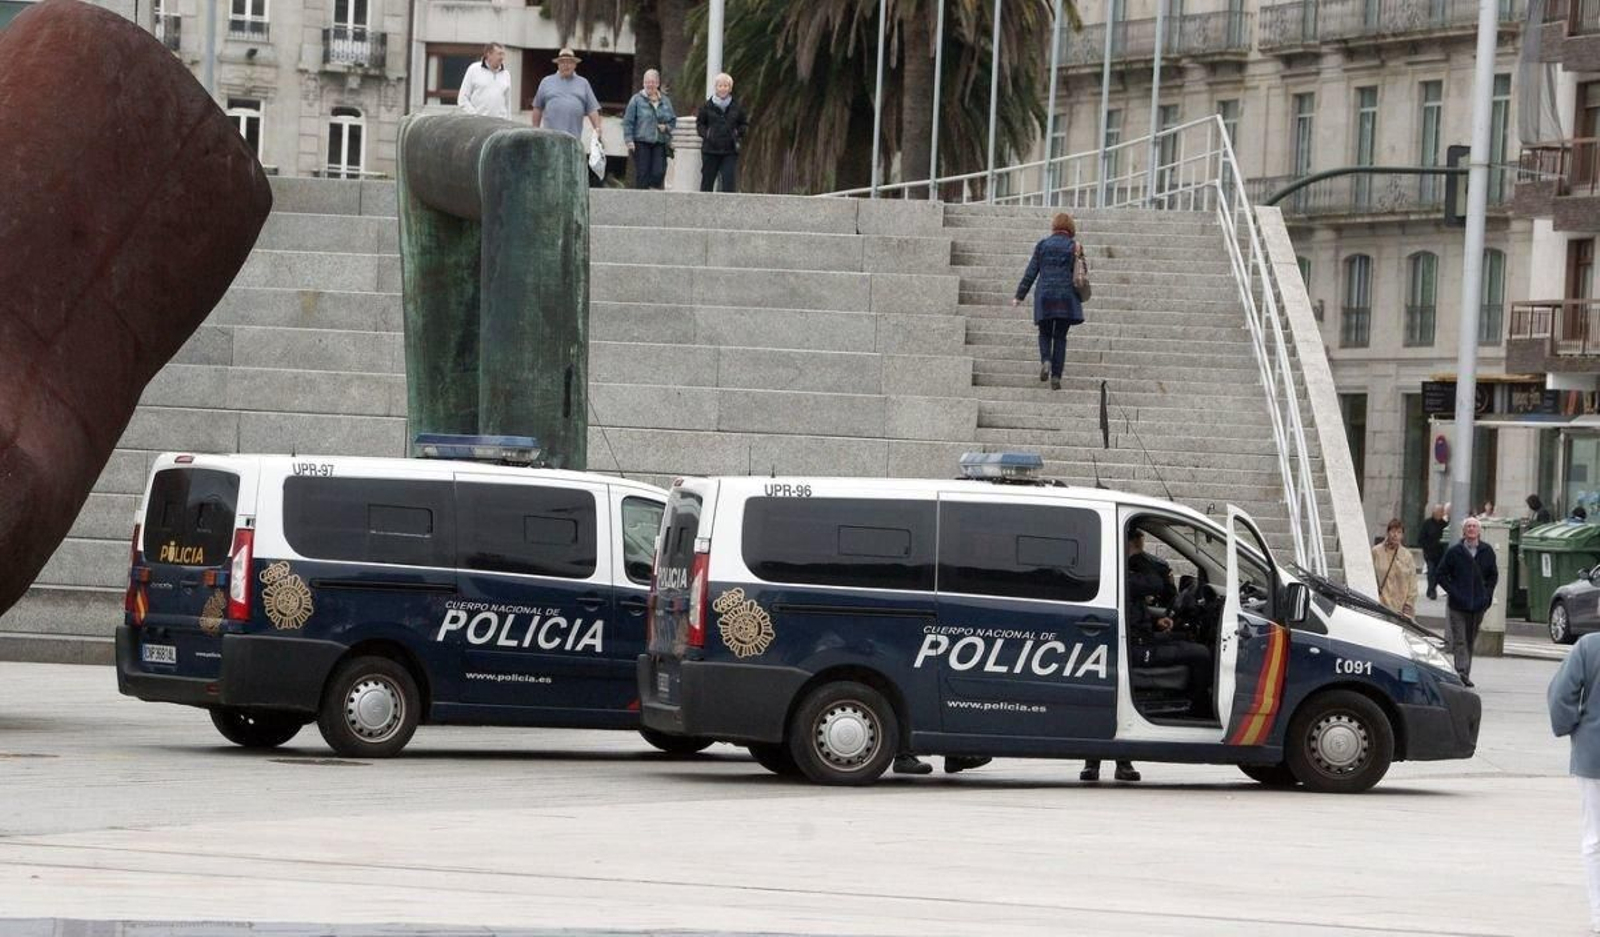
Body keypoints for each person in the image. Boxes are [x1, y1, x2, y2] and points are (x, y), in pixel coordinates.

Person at [1549, 631, 1600, 935]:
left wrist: (1572, 726)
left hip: (1594, 753)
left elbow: (1560, 695)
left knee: (1595, 838)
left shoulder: (1589, 646)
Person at [1010, 213, 1085, 392]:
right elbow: (1083, 272)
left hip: (1045, 296)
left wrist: (1019, 296)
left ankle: (1046, 361)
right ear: (1070, 228)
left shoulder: (1042, 245)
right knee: (1060, 337)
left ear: (1054, 226)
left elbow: (1031, 272)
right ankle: (1056, 377)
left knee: (1044, 333)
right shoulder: (1075, 246)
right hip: (1066, 298)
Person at [1436, 516, 1498, 687]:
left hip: (1478, 605)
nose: (1471, 529)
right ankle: (1461, 672)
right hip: (1458, 605)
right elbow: (1440, 574)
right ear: (1464, 531)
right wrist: (1453, 591)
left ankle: (1465, 672)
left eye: (1474, 526)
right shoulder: (1455, 552)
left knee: (1470, 639)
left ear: (1479, 531)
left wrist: (1487, 596)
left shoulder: (1487, 551)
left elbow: (1493, 575)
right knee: (1460, 640)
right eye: (1468, 526)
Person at [532, 48, 603, 142]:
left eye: (570, 62)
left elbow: (592, 109)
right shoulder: (546, 82)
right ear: (558, 64)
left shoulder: (583, 83)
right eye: (563, 62)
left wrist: (597, 130)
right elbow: (537, 108)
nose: (566, 65)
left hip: (573, 139)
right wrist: (535, 130)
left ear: (575, 65)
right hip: (550, 139)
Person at [623, 68, 676, 189]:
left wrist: (666, 127)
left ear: (657, 83)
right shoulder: (636, 100)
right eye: (647, 82)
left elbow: (673, 120)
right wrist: (629, 140)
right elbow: (628, 121)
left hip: (660, 141)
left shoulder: (665, 101)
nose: (650, 85)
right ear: (643, 83)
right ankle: (642, 200)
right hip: (641, 141)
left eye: (652, 82)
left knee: (659, 171)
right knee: (643, 173)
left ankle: (653, 193)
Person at [696, 72, 747, 192]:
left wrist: (737, 133)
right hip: (710, 150)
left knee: (729, 181)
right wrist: (707, 134)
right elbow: (700, 124)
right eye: (720, 85)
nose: (723, 88)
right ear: (716, 87)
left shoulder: (737, 107)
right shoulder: (707, 106)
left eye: (726, 86)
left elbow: (744, 124)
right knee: (707, 182)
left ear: (730, 88)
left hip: (729, 150)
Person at [1371, 518, 1417, 619]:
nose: (1395, 535)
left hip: (1400, 608)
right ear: (1388, 533)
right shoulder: (1376, 552)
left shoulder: (1407, 556)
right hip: (1381, 604)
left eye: (1399, 532)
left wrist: (1408, 605)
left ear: (1402, 536)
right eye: (1393, 531)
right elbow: (1370, 576)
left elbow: (1412, 583)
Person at [457, 43, 511, 119]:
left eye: (503, 54)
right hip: (479, 124)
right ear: (489, 54)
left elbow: (507, 102)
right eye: (499, 54)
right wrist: (475, 116)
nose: (502, 57)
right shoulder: (473, 69)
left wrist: (508, 121)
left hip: (500, 124)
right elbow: (463, 99)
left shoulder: (506, 74)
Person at [1419, 503, 1448, 601]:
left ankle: (1431, 589)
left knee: (1437, 573)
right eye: (1438, 511)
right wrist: (1426, 547)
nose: (1439, 513)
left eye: (1441, 512)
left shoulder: (1444, 524)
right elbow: (1421, 538)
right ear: (1434, 512)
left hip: (1440, 553)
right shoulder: (1427, 523)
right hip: (1429, 553)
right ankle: (1432, 591)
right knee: (1431, 571)